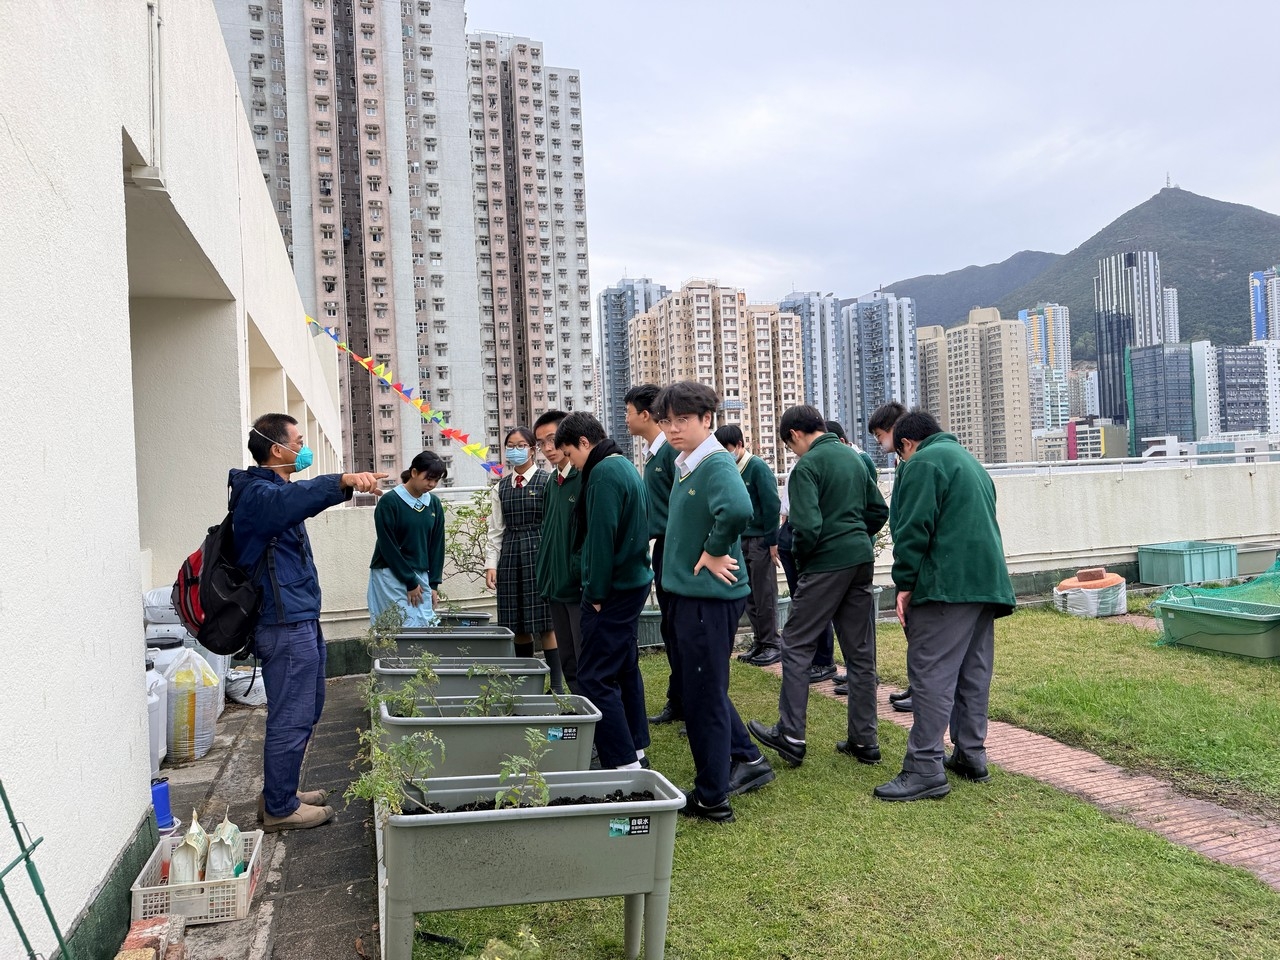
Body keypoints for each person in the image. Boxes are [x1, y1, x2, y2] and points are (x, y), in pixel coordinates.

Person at [232, 413, 385, 832]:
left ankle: (280, 791)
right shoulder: (258, 494)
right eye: (298, 441)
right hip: (282, 623)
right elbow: (296, 500)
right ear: (276, 449)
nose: (304, 448)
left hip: (298, 617)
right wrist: (343, 481)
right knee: (292, 714)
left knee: (308, 707)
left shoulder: (272, 491)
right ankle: (280, 808)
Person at [873, 409, 1015, 802]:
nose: (899, 459)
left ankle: (924, 768)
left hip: (946, 586)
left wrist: (904, 584)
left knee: (931, 673)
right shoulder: (970, 462)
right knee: (972, 672)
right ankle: (971, 755)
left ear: (907, 443)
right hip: (986, 584)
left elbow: (912, 529)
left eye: (897, 452)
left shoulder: (922, 463)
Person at [657, 381, 775, 823]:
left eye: (683, 419)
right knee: (702, 690)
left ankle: (712, 797)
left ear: (707, 420)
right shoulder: (686, 462)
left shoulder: (715, 462)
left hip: (708, 599)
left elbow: (739, 510)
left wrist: (714, 548)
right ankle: (747, 760)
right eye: (667, 421)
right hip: (690, 596)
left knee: (704, 698)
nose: (673, 428)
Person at [749, 405, 888, 771]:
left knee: (796, 644)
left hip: (825, 564)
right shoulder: (854, 458)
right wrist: (853, 536)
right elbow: (878, 511)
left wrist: (806, 558)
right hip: (860, 560)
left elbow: (806, 526)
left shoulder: (806, 467)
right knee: (860, 652)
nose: (792, 452)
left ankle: (791, 735)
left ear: (795, 434)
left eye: (789, 445)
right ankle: (865, 739)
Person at [556, 411, 652, 768]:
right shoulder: (622, 464)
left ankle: (623, 762)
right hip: (632, 582)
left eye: (570, 454)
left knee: (595, 676)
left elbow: (600, 540)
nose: (572, 464)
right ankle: (636, 748)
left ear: (584, 442)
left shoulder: (603, 473)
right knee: (624, 667)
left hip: (612, 589)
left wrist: (595, 594)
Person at [484, 427, 562, 691]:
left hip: (539, 554)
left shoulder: (547, 481)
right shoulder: (500, 487)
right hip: (510, 556)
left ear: (532, 449)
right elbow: (496, 530)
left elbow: (554, 523)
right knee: (517, 624)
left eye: (520, 445)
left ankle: (557, 685)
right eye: (510, 446)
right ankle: (527, 685)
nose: (515, 450)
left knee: (546, 623)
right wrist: (491, 565)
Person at [626, 384, 683, 729]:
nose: (626, 419)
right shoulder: (654, 453)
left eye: (629, 412)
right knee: (671, 627)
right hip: (662, 548)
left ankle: (692, 703)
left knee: (682, 629)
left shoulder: (671, 453)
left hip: (678, 549)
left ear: (646, 415)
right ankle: (679, 700)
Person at [818, 419, 879, 694]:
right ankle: (857, 671)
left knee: (860, 621)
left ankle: (865, 674)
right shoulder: (849, 458)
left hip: (855, 549)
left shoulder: (859, 460)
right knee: (846, 619)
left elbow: (871, 507)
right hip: (848, 547)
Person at [714, 424, 782, 667]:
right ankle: (759, 641)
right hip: (740, 539)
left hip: (760, 540)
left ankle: (772, 644)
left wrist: (772, 541)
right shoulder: (729, 469)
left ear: (739, 445)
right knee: (749, 595)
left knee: (765, 594)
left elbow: (772, 505)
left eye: (727, 449)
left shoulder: (757, 467)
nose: (726, 454)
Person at [367, 451, 447, 628]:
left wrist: (434, 583)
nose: (432, 484)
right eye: (428, 479)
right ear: (414, 472)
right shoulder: (390, 502)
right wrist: (410, 581)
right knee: (400, 626)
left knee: (425, 626)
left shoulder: (433, 504)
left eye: (436, 480)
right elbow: (388, 546)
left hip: (421, 575)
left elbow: (437, 545)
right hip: (391, 573)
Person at [533, 409, 583, 694]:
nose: (547, 448)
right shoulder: (552, 483)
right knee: (568, 658)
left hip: (577, 587)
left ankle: (594, 713)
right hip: (554, 586)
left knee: (584, 655)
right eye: (541, 443)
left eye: (552, 439)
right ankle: (579, 709)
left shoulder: (584, 478)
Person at [866, 401, 911, 709]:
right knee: (912, 629)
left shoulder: (914, 461)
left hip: (914, 563)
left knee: (918, 629)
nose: (880, 443)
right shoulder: (902, 460)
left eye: (881, 435)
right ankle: (917, 685)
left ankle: (923, 690)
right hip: (905, 555)